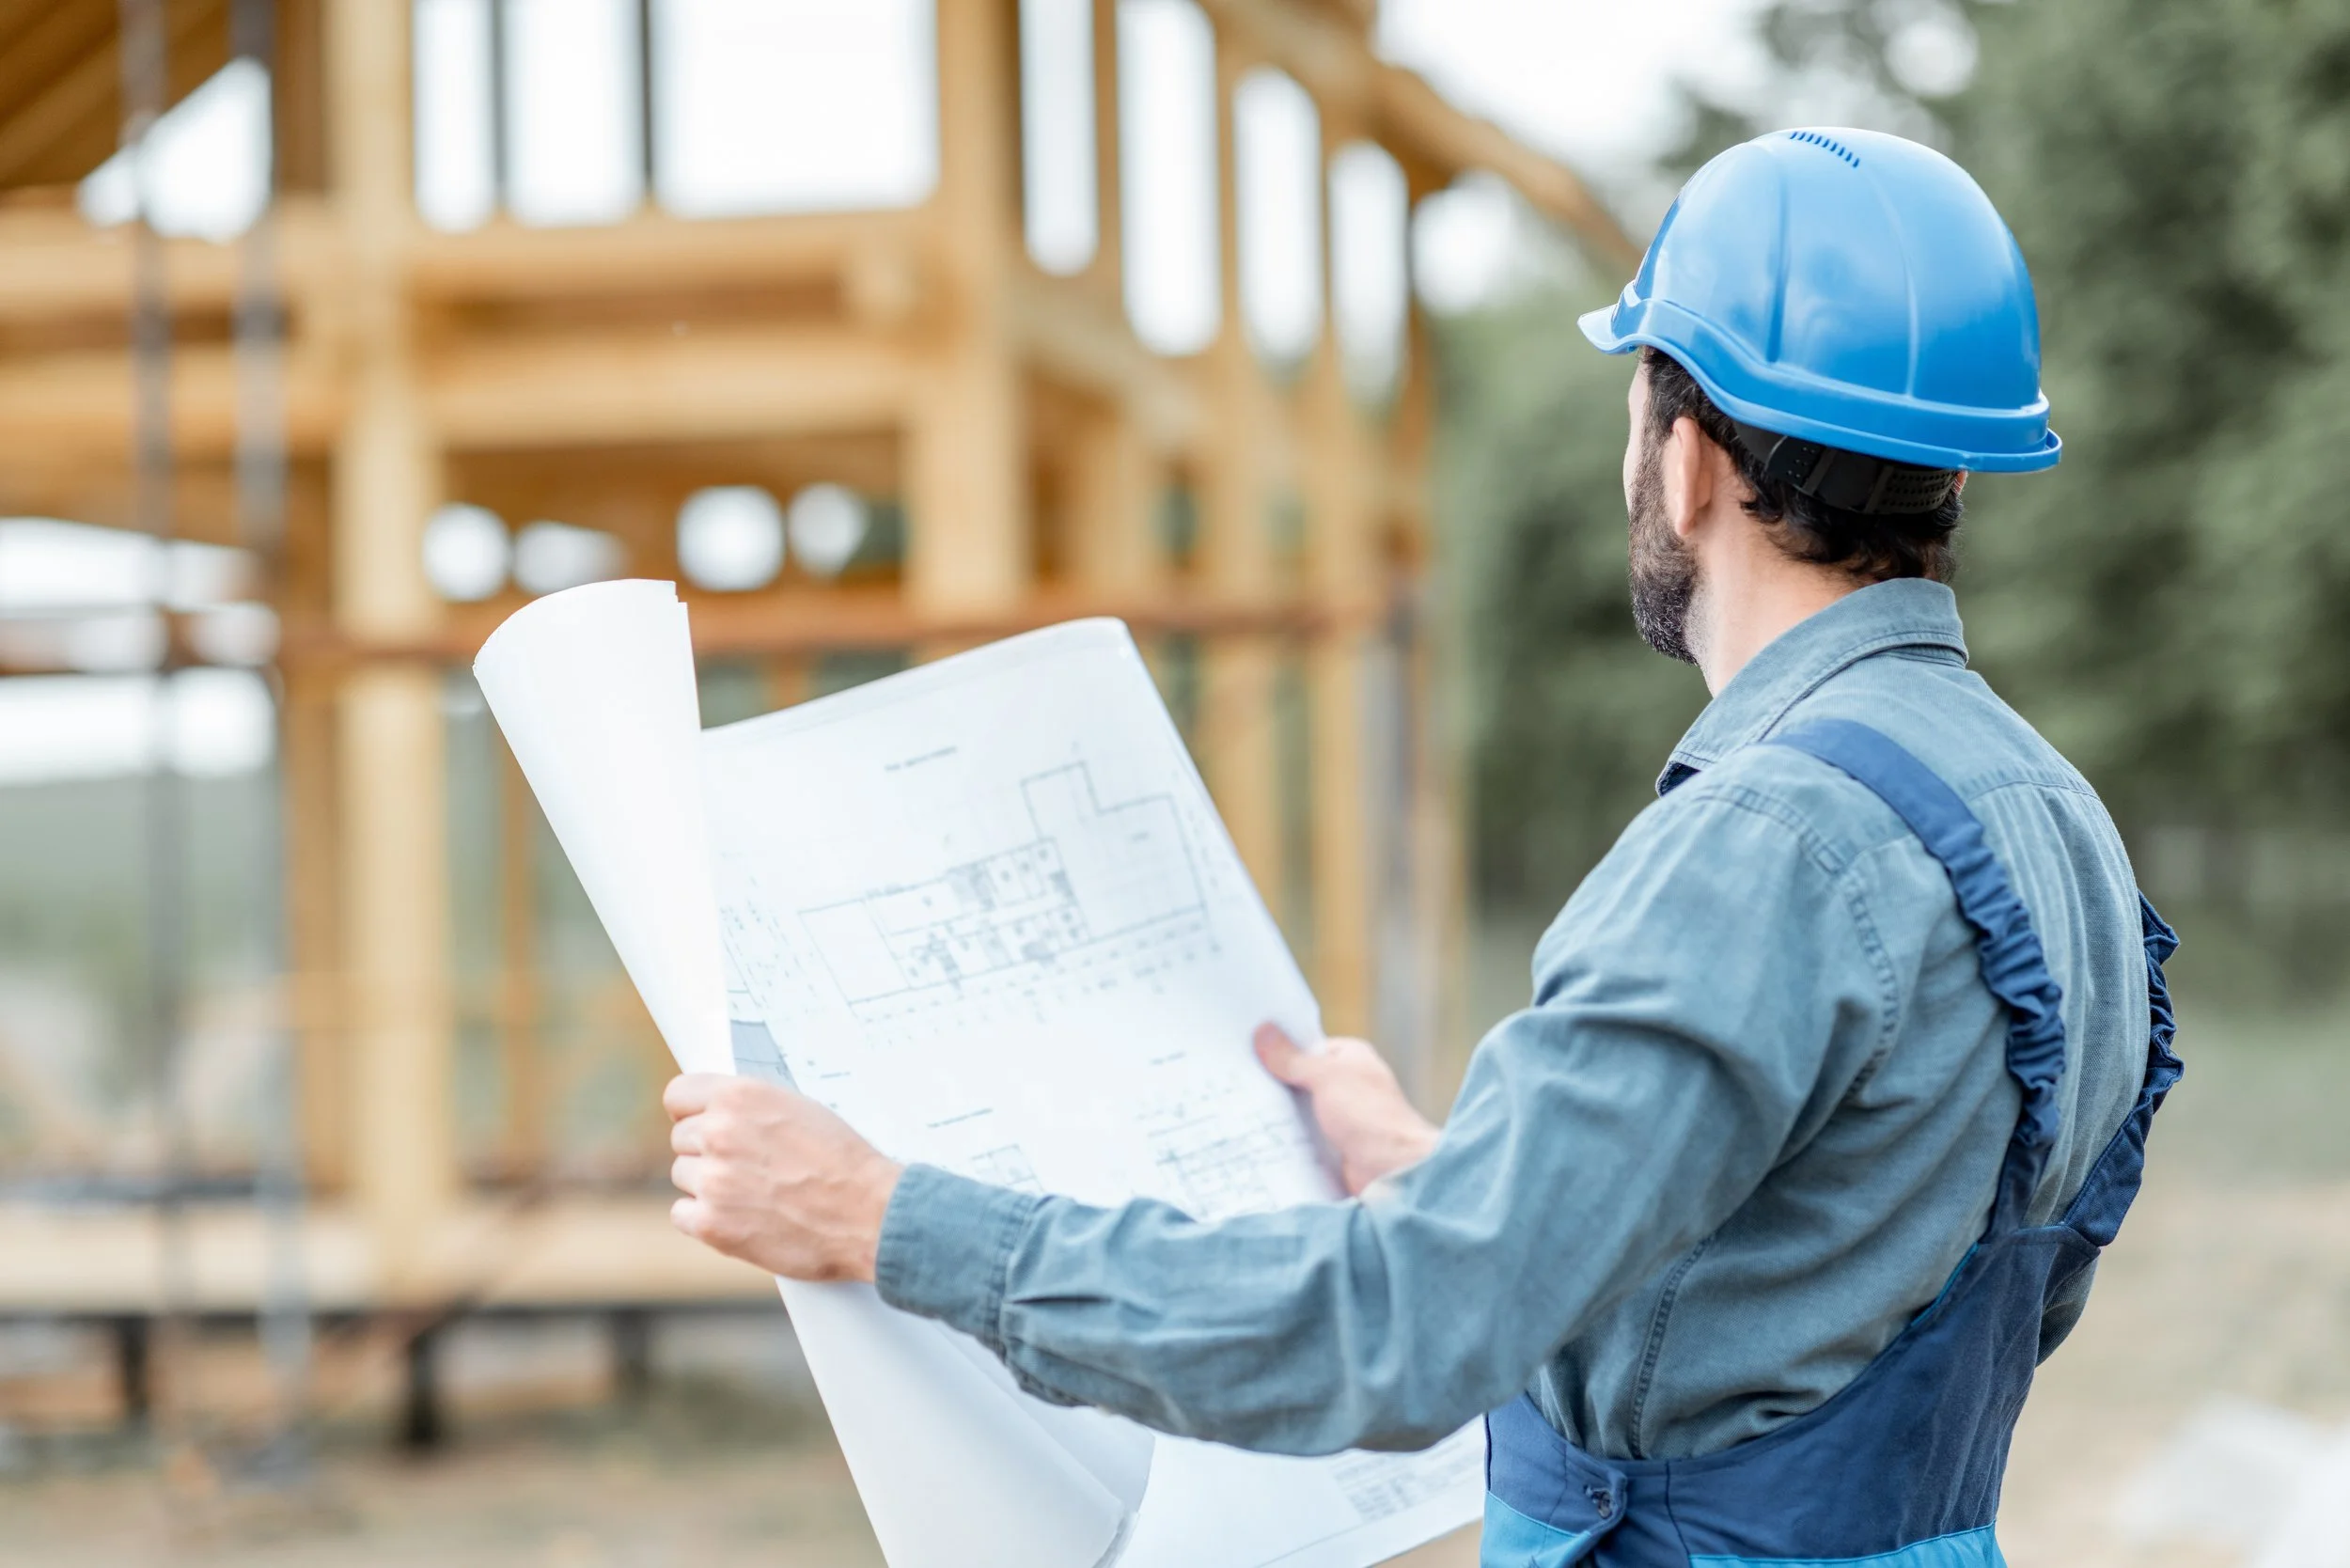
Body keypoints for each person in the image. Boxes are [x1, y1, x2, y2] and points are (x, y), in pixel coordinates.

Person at [661, 128, 2179, 1565]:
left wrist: (885, 1217)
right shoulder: (2046, 816)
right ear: (1955, 474)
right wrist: (1467, 1179)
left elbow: (1396, 1334)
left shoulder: (1763, 844)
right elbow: (1846, 1271)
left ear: (1690, 453)